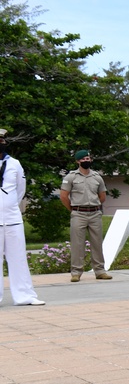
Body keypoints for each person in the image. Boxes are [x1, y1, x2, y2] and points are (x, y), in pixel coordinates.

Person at [0, 129, 44, 306]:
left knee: (18, 258)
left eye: (2, 139)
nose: (1, 142)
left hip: (12, 219)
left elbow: (20, 189)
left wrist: (9, 204)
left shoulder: (15, 164)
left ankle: (25, 296)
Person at [59, 149, 112, 281]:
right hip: (78, 213)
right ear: (78, 161)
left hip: (94, 213)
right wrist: (72, 209)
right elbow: (64, 196)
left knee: (97, 242)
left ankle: (99, 271)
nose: (86, 161)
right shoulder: (71, 177)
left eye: (88, 159)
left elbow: (102, 196)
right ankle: (76, 272)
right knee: (77, 244)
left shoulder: (97, 177)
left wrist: (95, 205)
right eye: (83, 159)